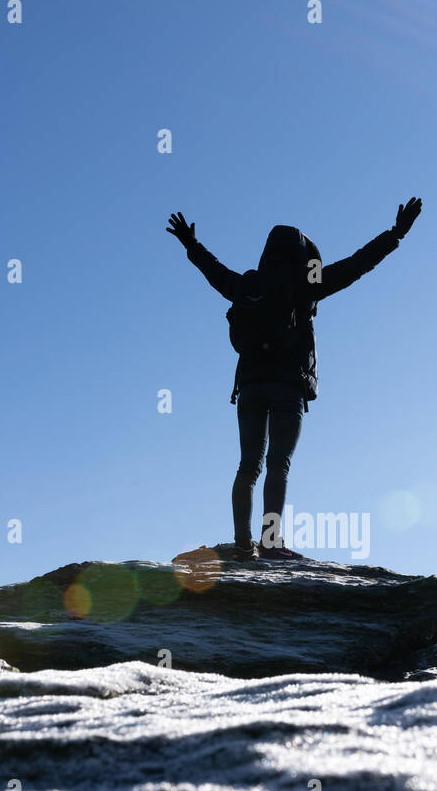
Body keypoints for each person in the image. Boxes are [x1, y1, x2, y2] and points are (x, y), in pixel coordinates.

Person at [166, 197, 422, 560]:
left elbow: (214, 271)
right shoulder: (306, 283)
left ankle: (243, 544)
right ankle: (270, 544)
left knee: (248, 465)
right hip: (287, 386)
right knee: (278, 465)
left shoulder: (246, 285)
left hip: (251, 386)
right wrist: (395, 234)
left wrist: (191, 244)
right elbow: (356, 265)